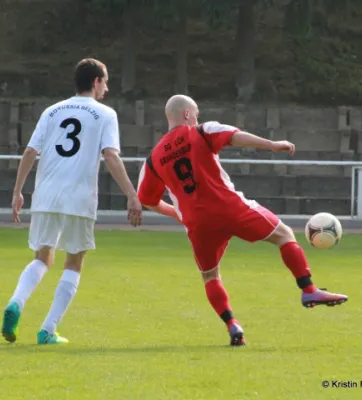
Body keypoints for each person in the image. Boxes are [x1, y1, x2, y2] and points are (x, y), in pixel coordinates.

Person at [137, 94, 348, 346]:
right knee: (284, 235)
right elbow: (235, 136)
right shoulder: (202, 132)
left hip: (197, 223)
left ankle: (232, 325)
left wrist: (178, 213)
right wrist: (272, 144)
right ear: (186, 115)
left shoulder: (153, 158)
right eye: (196, 113)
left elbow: (147, 199)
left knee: (210, 275)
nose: (197, 118)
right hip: (229, 207)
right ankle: (308, 289)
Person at [1, 58, 142, 345]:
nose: (108, 87)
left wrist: (17, 191)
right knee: (74, 261)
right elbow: (111, 156)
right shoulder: (105, 114)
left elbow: (30, 152)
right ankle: (47, 330)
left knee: (42, 256)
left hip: (45, 194)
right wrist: (131, 195)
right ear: (95, 82)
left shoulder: (52, 111)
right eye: (105, 81)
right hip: (78, 196)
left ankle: (16, 302)